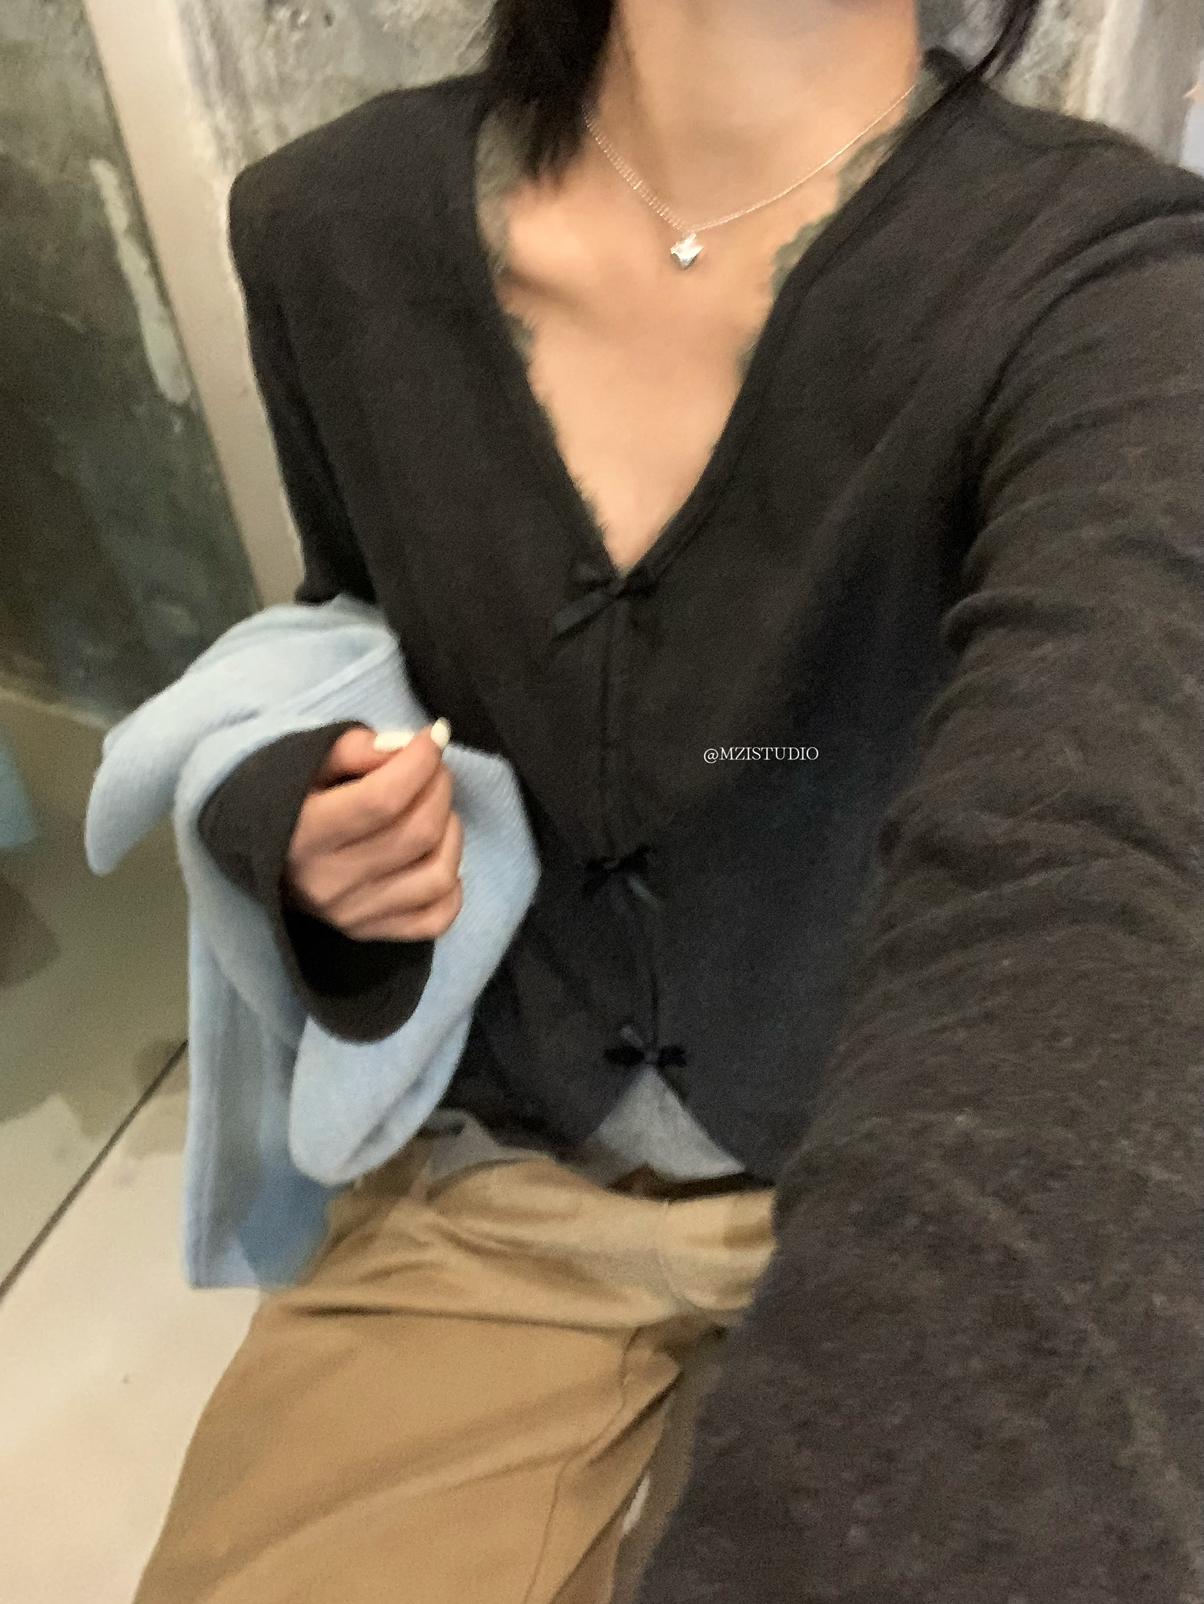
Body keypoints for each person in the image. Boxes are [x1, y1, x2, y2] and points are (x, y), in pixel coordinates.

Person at [133, 1, 1204, 1600]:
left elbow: (1103, 860)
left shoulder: (1122, 288)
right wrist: (303, 826)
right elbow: (355, 629)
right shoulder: (325, 229)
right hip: (502, 1175)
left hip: (904, 1167)